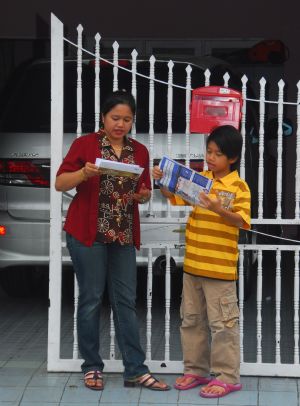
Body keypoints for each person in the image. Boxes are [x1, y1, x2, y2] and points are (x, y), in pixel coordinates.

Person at [55, 90, 170, 392]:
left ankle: (135, 370)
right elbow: (59, 183)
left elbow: (143, 192)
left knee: (126, 302)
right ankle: (92, 366)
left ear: (133, 121)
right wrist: (83, 172)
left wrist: (144, 194)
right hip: (87, 233)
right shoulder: (86, 144)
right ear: (103, 117)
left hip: (121, 232)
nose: (120, 124)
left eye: (127, 119)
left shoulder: (140, 151)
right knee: (92, 299)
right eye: (115, 118)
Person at [152, 125, 251, 398]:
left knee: (223, 325)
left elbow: (242, 221)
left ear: (232, 158)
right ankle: (195, 371)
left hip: (220, 270)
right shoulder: (200, 179)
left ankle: (226, 377)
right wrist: (161, 181)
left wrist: (219, 208)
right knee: (191, 321)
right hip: (193, 265)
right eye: (208, 151)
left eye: (217, 154)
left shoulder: (239, 186)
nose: (210, 157)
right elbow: (172, 197)